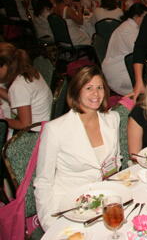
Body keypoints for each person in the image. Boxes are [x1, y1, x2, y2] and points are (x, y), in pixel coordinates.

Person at [34, 65, 120, 231]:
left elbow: (114, 162)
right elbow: (43, 182)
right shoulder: (56, 129)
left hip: (103, 202)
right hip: (69, 207)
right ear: (76, 91)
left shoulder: (112, 119)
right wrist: (49, 224)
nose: (96, 94)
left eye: (100, 87)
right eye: (88, 88)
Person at [0, 42, 52, 131]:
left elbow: (25, 125)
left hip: (33, 135)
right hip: (45, 123)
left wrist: (3, 121)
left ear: (6, 66)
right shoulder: (27, 71)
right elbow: (18, 98)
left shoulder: (18, 86)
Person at [102, 3, 147, 96]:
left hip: (118, 67)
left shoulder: (130, 26)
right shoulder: (128, 30)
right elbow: (139, 52)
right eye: (145, 17)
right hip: (117, 73)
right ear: (136, 16)